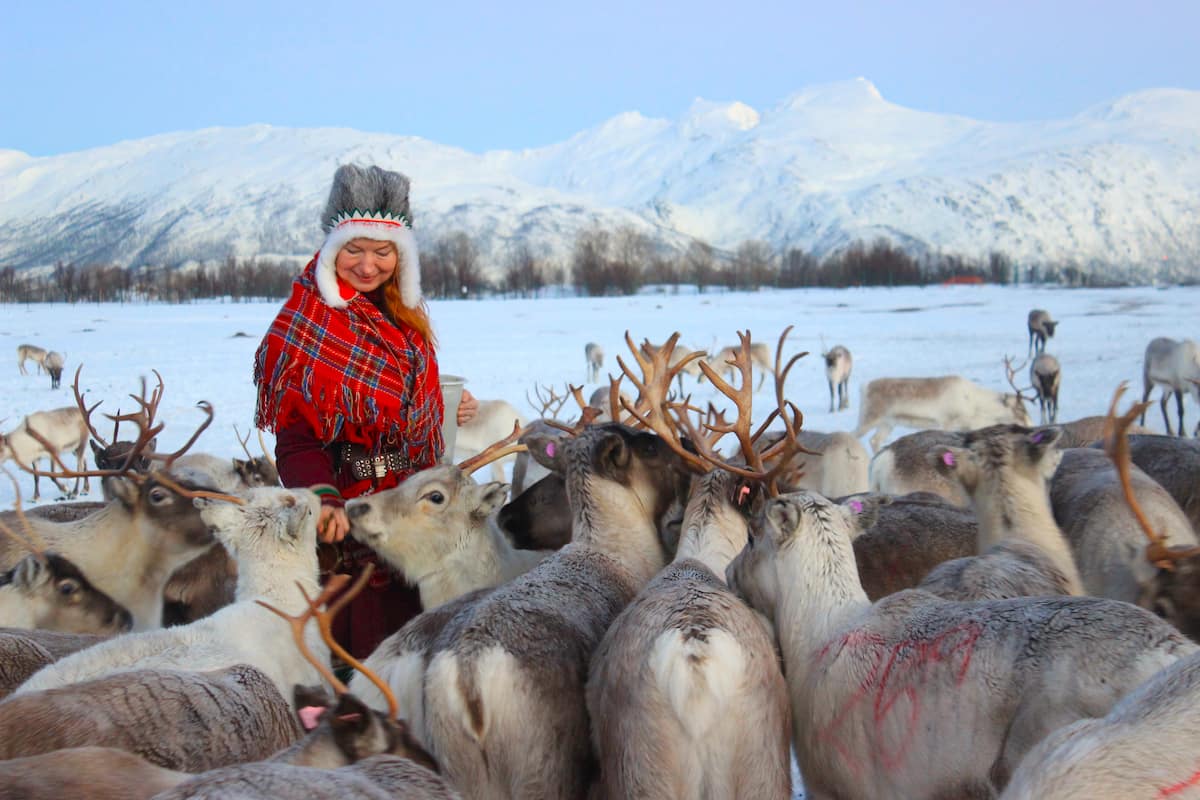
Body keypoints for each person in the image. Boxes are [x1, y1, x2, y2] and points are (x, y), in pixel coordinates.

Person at [253, 164, 478, 658]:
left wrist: (443, 406)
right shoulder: (306, 326)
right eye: (354, 249)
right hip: (353, 520)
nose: (369, 265)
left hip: (412, 512)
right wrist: (325, 499)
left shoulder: (403, 317)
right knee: (371, 656)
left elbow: (405, 399)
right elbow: (296, 439)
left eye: (383, 252)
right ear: (333, 248)